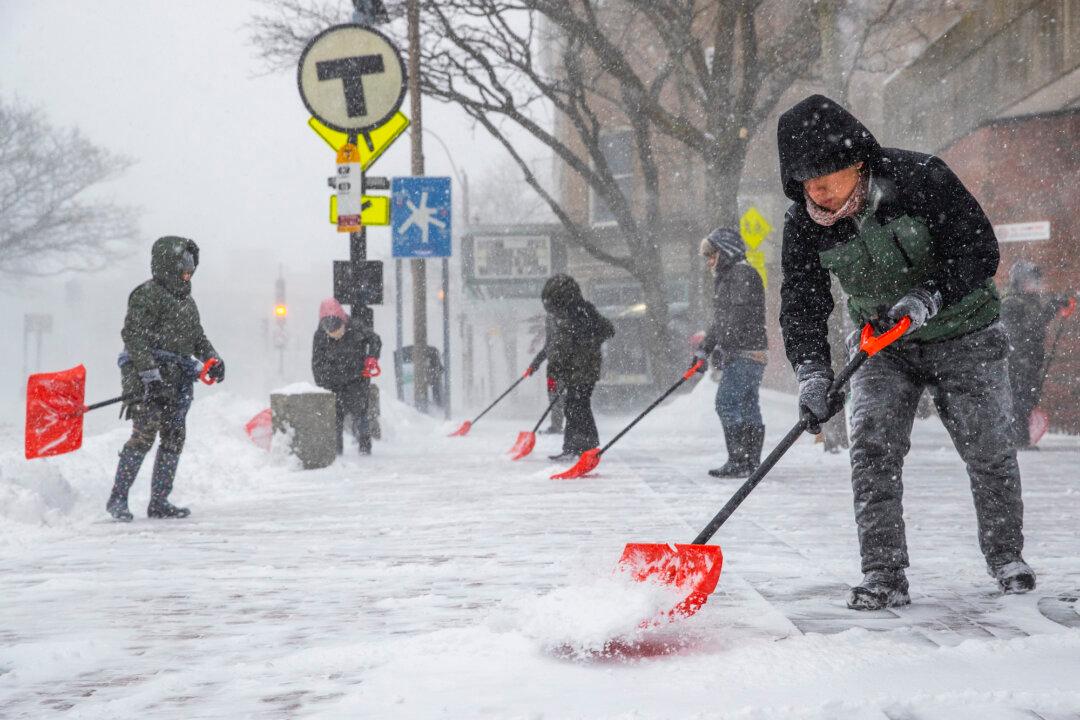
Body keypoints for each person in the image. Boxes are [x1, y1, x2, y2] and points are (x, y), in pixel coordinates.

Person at [777, 94, 1033, 610]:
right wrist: (811, 374)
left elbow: (978, 247)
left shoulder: (920, 179)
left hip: (964, 333)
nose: (817, 193)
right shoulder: (804, 223)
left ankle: (1007, 557)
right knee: (871, 449)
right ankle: (884, 573)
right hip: (882, 343)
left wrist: (930, 294)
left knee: (987, 447)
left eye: (826, 178)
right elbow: (803, 304)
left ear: (857, 163)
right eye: (806, 183)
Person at [107, 236, 225, 522]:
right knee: (144, 435)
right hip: (146, 377)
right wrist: (151, 376)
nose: (189, 270)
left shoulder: (187, 300)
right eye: (184, 264)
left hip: (178, 379)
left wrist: (214, 358)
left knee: (174, 437)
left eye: (192, 264)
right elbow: (133, 337)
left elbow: (197, 337)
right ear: (167, 264)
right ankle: (118, 499)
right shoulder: (146, 295)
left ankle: (159, 501)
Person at [690, 227, 768, 478]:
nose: (710, 262)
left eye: (713, 255)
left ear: (726, 252)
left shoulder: (740, 274)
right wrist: (705, 350)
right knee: (747, 404)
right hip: (747, 350)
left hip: (744, 352)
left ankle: (740, 460)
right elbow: (722, 321)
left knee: (726, 403)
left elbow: (738, 316)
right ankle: (750, 462)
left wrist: (725, 346)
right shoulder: (732, 276)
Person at [527, 274, 615, 461]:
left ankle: (586, 447)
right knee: (573, 405)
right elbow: (559, 345)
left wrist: (587, 340)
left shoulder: (580, 313)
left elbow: (607, 329)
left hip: (584, 368)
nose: (555, 313)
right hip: (577, 368)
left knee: (578, 404)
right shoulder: (575, 313)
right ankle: (573, 447)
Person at [1000, 260, 1074, 449]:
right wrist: (1051, 308)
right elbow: (1026, 329)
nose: (1034, 285)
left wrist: (1055, 306)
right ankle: (1018, 439)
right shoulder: (1011, 303)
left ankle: (1020, 437)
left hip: (1030, 361)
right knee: (1019, 399)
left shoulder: (1030, 302)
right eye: (1029, 281)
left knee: (1027, 398)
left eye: (1035, 281)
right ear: (1019, 282)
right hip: (1017, 361)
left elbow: (1036, 324)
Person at [312, 298, 382, 455]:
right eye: (332, 333)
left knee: (361, 415)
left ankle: (365, 449)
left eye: (339, 330)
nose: (336, 335)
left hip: (357, 379)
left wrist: (372, 357)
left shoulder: (357, 327)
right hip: (333, 384)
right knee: (335, 420)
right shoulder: (320, 336)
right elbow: (316, 363)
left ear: (343, 322)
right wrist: (323, 385)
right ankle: (337, 453)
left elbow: (375, 340)